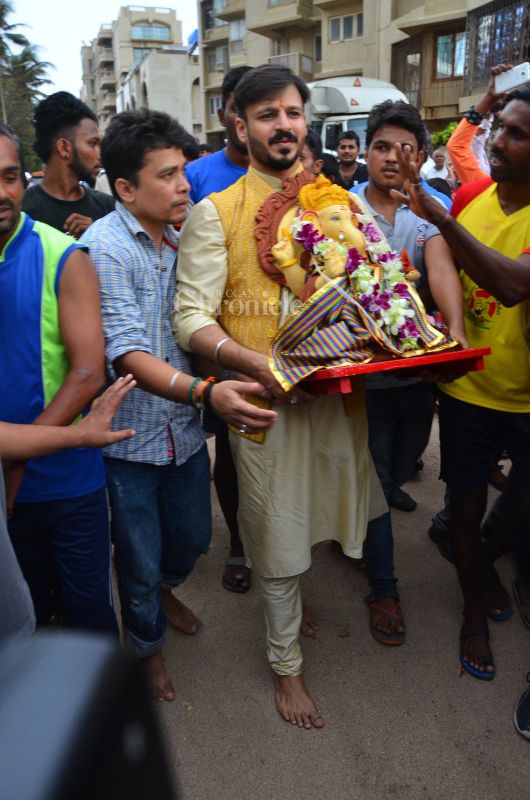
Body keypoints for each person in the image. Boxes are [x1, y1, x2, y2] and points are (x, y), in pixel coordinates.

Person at [175, 63, 399, 730]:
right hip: (264, 405)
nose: (284, 124)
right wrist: (254, 362)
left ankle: (319, 607)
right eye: (267, 114)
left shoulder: (341, 202)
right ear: (240, 127)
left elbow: (381, 286)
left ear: (308, 123)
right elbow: (191, 316)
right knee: (274, 535)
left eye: (293, 112)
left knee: (336, 510)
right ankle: (287, 667)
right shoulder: (215, 212)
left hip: (338, 397)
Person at [81, 108, 276, 702]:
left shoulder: (185, 235)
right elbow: (127, 352)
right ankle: (146, 647)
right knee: (137, 560)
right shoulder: (104, 249)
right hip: (129, 443)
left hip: (184, 434)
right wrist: (206, 391)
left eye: (183, 172)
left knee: (191, 540)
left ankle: (164, 593)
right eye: (166, 175)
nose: (184, 185)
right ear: (125, 188)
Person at [390, 86, 530, 706]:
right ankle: (473, 606)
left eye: (516, 134)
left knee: (519, 512)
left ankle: (480, 565)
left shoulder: (456, 207)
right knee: (466, 504)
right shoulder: (472, 197)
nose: (496, 141)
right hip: (470, 391)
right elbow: (438, 274)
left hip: (527, 399)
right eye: (498, 128)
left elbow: (508, 286)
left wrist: (438, 216)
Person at [0, 123, 118, 637]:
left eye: (8, 177)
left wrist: (17, 459)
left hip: (67, 480)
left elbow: (89, 372)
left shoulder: (63, 255)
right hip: (6, 483)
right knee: (26, 617)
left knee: (88, 612)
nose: (1, 193)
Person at [350, 100, 466, 512]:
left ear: (418, 156)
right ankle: (370, 538)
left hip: (418, 366)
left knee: (412, 446)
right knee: (373, 454)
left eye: (403, 149)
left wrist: (457, 330)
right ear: (367, 152)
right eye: (381, 147)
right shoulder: (342, 208)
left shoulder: (429, 209)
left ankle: (387, 488)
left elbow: (442, 270)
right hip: (365, 367)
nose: (391, 158)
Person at [185, 66, 254, 593]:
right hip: (220, 339)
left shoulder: (299, 172)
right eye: (239, 106)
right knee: (231, 449)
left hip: (289, 340)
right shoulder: (200, 174)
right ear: (228, 114)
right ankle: (237, 542)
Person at [0, 376, 136, 640]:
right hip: (23, 493)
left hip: (72, 483)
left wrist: (81, 435)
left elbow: (87, 373)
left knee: (88, 609)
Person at [22, 92, 114, 238]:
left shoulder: (108, 207)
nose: (99, 154)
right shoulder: (22, 212)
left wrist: (96, 237)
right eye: (92, 143)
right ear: (64, 148)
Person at [185, 66, 252, 204]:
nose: (246, 118)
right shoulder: (192, 176)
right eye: (237, 109)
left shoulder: (285, 175)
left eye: (257, 110)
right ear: (222, 116)